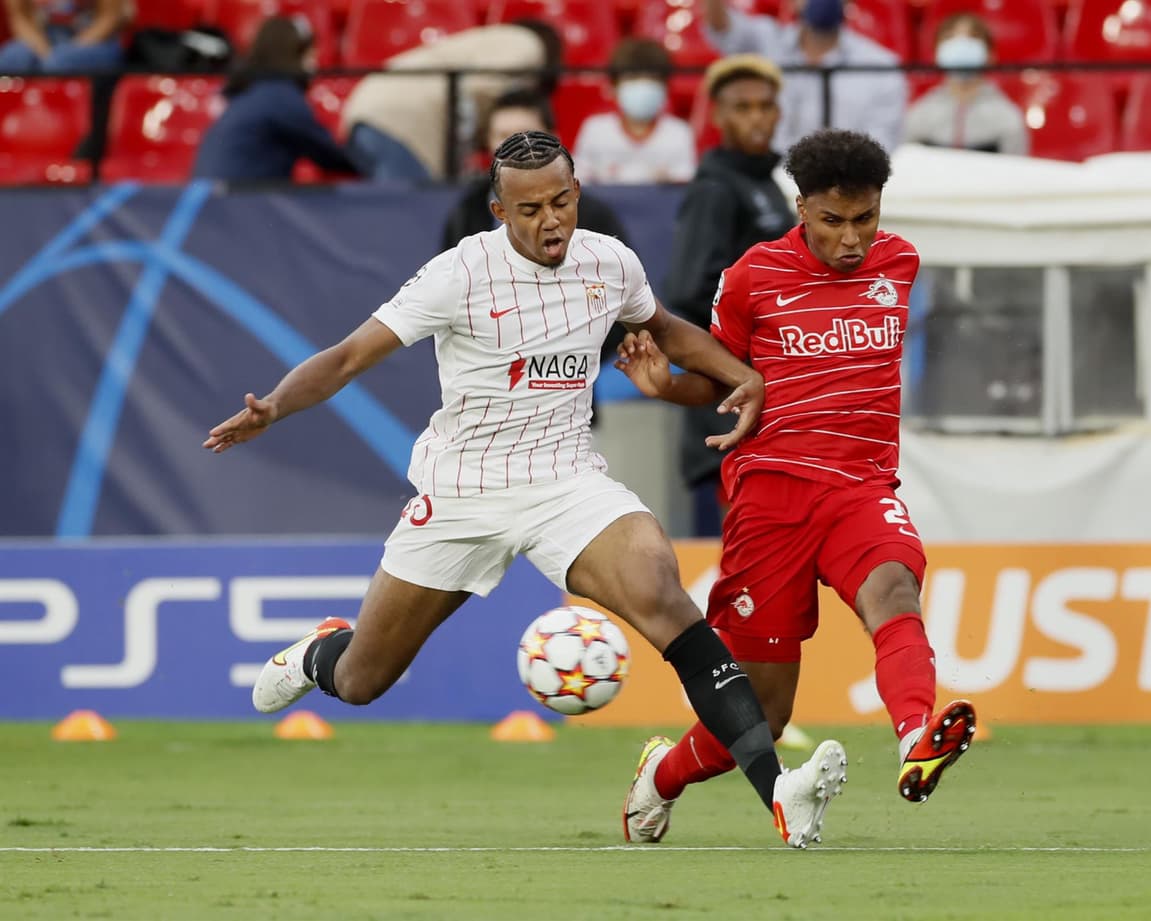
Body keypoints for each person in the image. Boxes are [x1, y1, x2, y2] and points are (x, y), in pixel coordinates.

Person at [203, 129, 848, 849]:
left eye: (563, 201)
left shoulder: (611, 262)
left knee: (664, 596)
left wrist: (740, 373)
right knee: (362, 680)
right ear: (498, 211)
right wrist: (276, 407)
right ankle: (321, 649)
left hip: (566, 479)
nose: (552, 221)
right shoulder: (457, 274)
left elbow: (663, 328)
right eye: (532, 208)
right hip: (463, 491)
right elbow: (352, 353)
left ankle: (778, 788)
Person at [614, 129, 978, 843]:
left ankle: (915, 740)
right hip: (770, 497)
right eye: (832, 221)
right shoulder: (752, 276)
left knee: (895, 591)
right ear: (802, 208)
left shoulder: (899, 262)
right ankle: (658, 777)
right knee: (765, 714)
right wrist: (664, 386)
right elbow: (726, 385)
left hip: (860, 488)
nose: (851, 238)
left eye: (864, 218)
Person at [666, 54, 793, 536]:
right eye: (743, 107)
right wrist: (762, 333)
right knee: (736, 568)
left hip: (763, 408)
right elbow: (687, 289)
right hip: (726, 416)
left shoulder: (766, 188)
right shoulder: (716, 190)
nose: (757, 117)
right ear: (717, 116)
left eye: (765, 106)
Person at [340, 20, 561, 182]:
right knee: (407, 220)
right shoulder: (529, 44)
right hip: (400, 125)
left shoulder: (494, 40)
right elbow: (474, 90)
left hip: (367, 110)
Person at [700, 0, 907, 154]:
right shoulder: (767, 42)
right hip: (774, 177)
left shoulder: (881, 67)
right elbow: (722, 28)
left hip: (843, 191)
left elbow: (880, 148)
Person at [440, 87, 629, 251]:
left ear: (552, 139)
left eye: (525, 136)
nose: (513, 147)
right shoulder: (466, 214)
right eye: (502, 135)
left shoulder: (595, 218)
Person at [192, 16, 360, 184]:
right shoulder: (281, 98)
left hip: (212, 201)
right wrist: (373, 165)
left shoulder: (250, 94)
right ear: (295, 57)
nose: (314, 65)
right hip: (238, 203)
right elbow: (328, 153)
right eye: (310, 56)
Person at [571, 37, 696, 185]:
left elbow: (685, 185)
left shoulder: (679, 133)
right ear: (613, 86)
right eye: (632, 78)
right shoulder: (595, 130)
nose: (642, 86)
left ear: (665, 87)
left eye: (652, 79)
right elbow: (577, 184)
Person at [902, 12, 1028, 155]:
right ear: (936, 53)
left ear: (990, 54)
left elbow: (1015, 171)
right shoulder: (919, 115)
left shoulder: (1008, 118)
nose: (961, 44)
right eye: (949, 37)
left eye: (973, 37)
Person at [0, 0, 127, 73]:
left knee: (58, 63)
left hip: (96, 38)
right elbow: (19, 17)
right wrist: (43, 51)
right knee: (12, 58)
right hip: (46, 35)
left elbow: (110, 17)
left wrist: (72, 48)